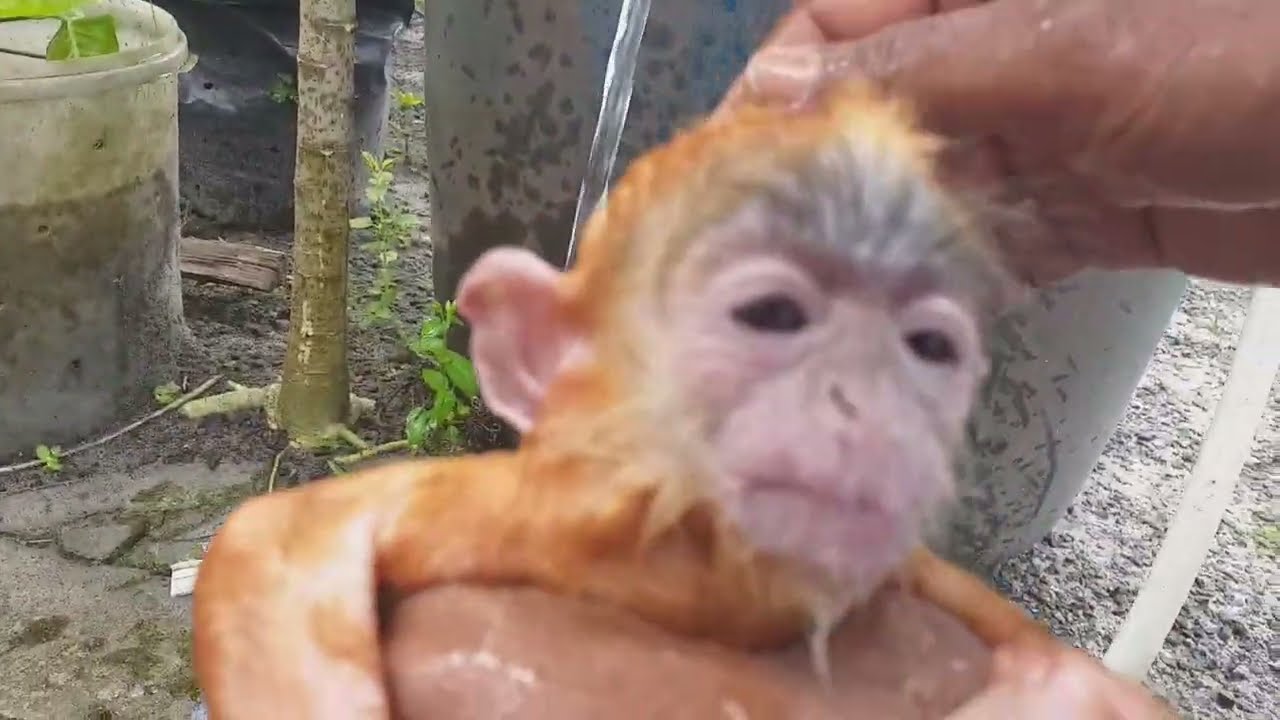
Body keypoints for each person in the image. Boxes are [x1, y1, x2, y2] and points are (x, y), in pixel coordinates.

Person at [380, 1, 1280, 717]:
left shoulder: (1019, 689)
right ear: (545, 355)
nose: (865, 412)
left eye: (928, 344)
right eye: (773, 313)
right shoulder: (392, 621)